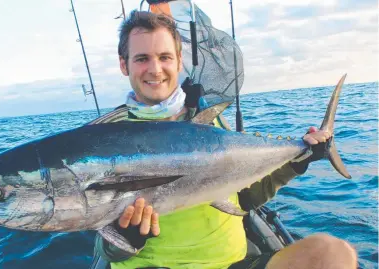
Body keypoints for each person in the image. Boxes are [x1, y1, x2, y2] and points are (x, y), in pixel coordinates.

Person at [93, 10, 358, 269]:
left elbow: (244, 199)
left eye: (164, 57)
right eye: (141, 58)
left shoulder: (211, 121)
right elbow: (104, 249)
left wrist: (297, 161)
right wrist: (125, 238)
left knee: (333, 253)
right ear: (123, 64)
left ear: (178, 60)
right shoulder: (108, 137)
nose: (155, 69)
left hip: (233, 263)